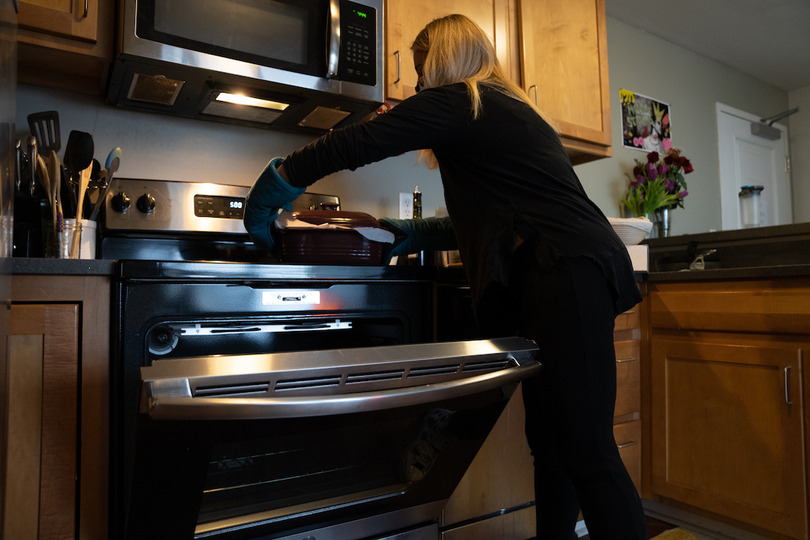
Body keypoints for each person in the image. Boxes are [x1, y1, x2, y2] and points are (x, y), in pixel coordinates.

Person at [243, 14, 648, 540]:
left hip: (563, 272)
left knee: (588, 450)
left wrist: (272, 188)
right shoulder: (500, 111)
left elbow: (353, 144)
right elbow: (488, 218)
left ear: (445, 62)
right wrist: (399, 230)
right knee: (551, 443)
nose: (415, 87)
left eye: (420, 72)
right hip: (563, 272)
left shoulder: (466, 98)